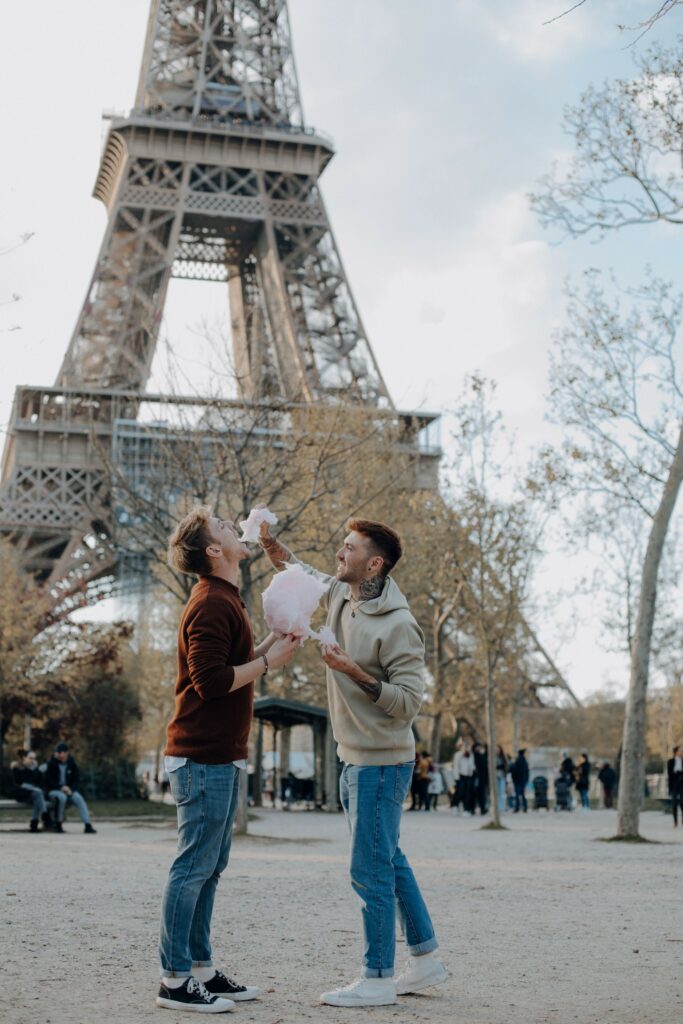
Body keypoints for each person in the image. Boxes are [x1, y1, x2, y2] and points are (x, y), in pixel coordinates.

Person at [260, 516, 447, 1008]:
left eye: (349, 547)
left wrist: (353, 672)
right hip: (352, 757)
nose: (339, 552)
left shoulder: (400, 625)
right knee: (388, 859)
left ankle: (378, 977)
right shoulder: (344, 592)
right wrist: (269, 545)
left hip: (382, 764)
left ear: (374, 563)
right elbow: (299, 572)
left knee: (369, 870)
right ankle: (425, 958)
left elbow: (408, 703)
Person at [157, 507, 300, 1013]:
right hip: (203, 756)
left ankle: (200, 969)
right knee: (194, 866)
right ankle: (174, 980)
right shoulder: (212, 603)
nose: (233, 525)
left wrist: (270, 647)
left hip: (217, 755)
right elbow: (211, 682)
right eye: (221, 525)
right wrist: (268, 662)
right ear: (214, 551)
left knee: (209, 866)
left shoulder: (224, 600)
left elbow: (224, 665)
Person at [46, 742, 96, 834]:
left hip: (69, 790)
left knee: (79, 798)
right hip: (55, 790)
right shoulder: (51, 764)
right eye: (57, 753)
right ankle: (58, 824)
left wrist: (70, 789)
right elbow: (49, 782)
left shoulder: (72, 764)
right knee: (62, 798)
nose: (58, 755)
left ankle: (87, 825)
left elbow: (76, 780)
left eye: (60, 753)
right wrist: (61, 787)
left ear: (66, 753)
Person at [12, 749, 53, 832]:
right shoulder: (17, 768)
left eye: (34, 758)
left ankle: (34, 825)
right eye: (30, 758)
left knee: (38, 796)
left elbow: (40, 784)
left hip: (34, 794)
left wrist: (36, 771)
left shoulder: (35, 770)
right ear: (24, 758)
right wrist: (33, 787)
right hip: (21, 794)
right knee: (38, 795)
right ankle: (44, 817)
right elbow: (19, 784)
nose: (33, 760)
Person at [667, 745, 683, 827]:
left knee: (682, 802)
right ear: (676, 752)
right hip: (674, 785)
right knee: (674, 804)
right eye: (680, 750)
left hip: (682, 785)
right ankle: (675, 822)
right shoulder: (670, 761)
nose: (682, 752)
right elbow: (669, 775)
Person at [472, 742, 489, 815]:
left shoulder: (482, 756)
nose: (478, 749)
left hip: (482, 779)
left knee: (482, 794)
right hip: (475, 778)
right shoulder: (472, 756)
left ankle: (483, 808)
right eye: (477, 747)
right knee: (474, 794)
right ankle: (472, 808)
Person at [511, 749, 529, 813]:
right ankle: (525, 807)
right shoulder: (525, 761)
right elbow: (527, 772)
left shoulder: (517, 761)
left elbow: (513, 771)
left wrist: (513, 778)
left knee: (517, 795)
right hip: (523, 781)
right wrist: (526, 780)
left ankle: (517, 808)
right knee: (523, 795)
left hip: (517, 781)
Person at [494, 745, 508, 814]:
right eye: (496, 750)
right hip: (495, 777)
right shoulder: (492, 758)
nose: (497, 751)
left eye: (498, 750)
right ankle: (496, 807)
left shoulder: (503, 758)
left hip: (502, 777)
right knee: (496, 792)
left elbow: (506, 767)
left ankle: (501, 807)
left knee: (502, 792)